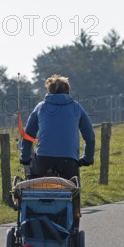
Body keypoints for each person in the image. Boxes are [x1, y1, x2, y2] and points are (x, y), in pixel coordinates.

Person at [19, 74, 95, 230]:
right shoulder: (76, 107)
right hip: (69, 161)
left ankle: (33, 223)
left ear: (49, 91)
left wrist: (25, 157)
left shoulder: (41, 107)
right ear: (67, 91)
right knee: (73, 193)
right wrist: (87, 158)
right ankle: (72, 229)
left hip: (44, 160)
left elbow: (27, 136)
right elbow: (90, 137)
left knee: (35, 189)